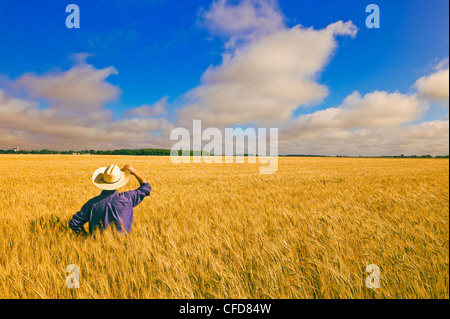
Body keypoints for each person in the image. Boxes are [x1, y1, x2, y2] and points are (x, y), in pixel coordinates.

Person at [69, 164, 151, 236]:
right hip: (124, 247)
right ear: (119, 181)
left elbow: (74, 223)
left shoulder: (92, 203)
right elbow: (146, 188)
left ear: (101, 181)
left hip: (97, 248)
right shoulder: (128, 198)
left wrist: (87, 238)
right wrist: (134, 172)